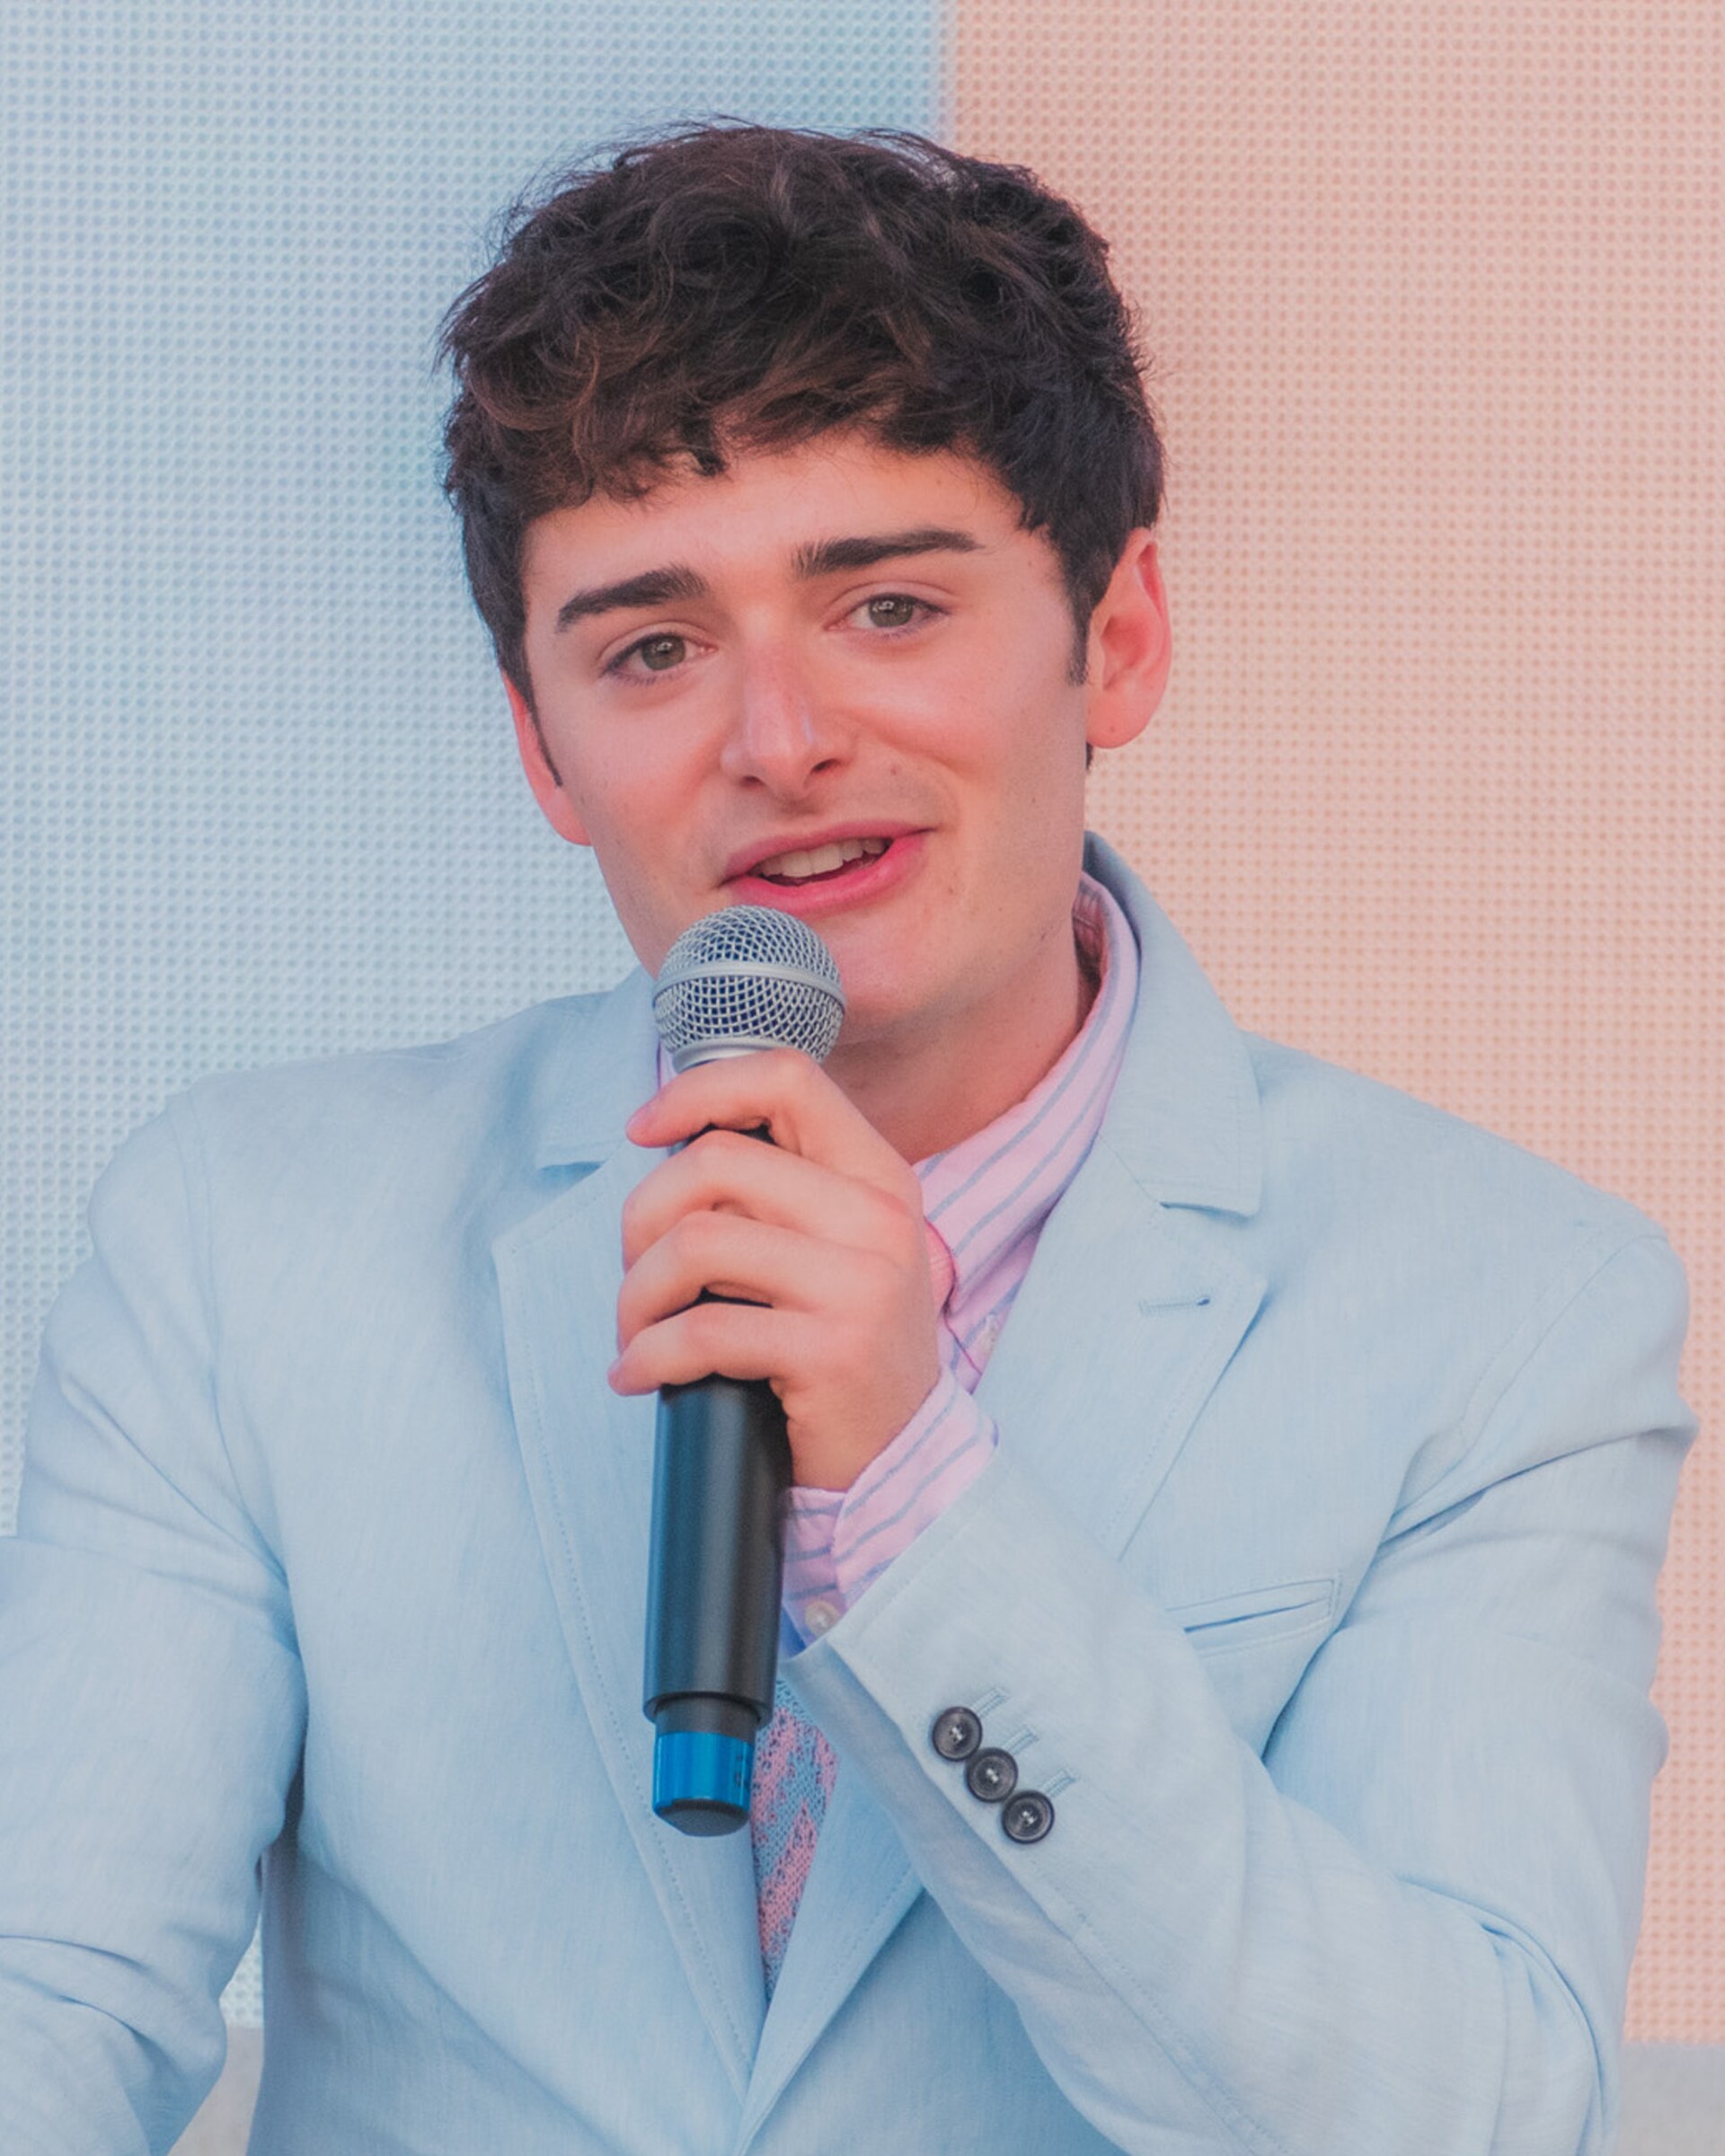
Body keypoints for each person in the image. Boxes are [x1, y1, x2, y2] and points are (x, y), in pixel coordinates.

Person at [0, 123, 1694, 2156]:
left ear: (1119, 636)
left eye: (887, 607)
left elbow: (1468, 2121)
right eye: (650, 648)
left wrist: (914, 1500)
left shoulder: (1508, 1311)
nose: (780, 739)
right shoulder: (245, 1241)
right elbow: (51, 1993)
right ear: (542, 747)